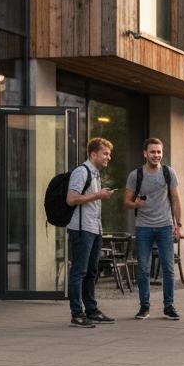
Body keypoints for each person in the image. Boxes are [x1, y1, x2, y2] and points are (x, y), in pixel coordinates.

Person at [125, 137, 183, 320]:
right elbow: (126, 202)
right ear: (145, 154)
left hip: (165, 226)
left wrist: (178, 225)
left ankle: (169, 306)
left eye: (159, 152)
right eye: (152, 152)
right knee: (143, 268)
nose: (156, 155)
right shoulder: (136, 175)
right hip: (143, 228)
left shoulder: (168, 173)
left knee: (168, 268)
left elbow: (175, 199)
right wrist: (136, 204)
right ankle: (144, 307)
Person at [66, 137, 117, 328]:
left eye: (109, 154)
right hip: (81, 230)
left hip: (94, 229)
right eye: (105, 153)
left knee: (92, 271)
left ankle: (92, 310)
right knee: (79, 271)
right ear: (93, 154)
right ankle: (77, 314)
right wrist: (98, 195)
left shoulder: (95, 174)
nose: (108, 157)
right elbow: (71, 199)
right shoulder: (82, 172)